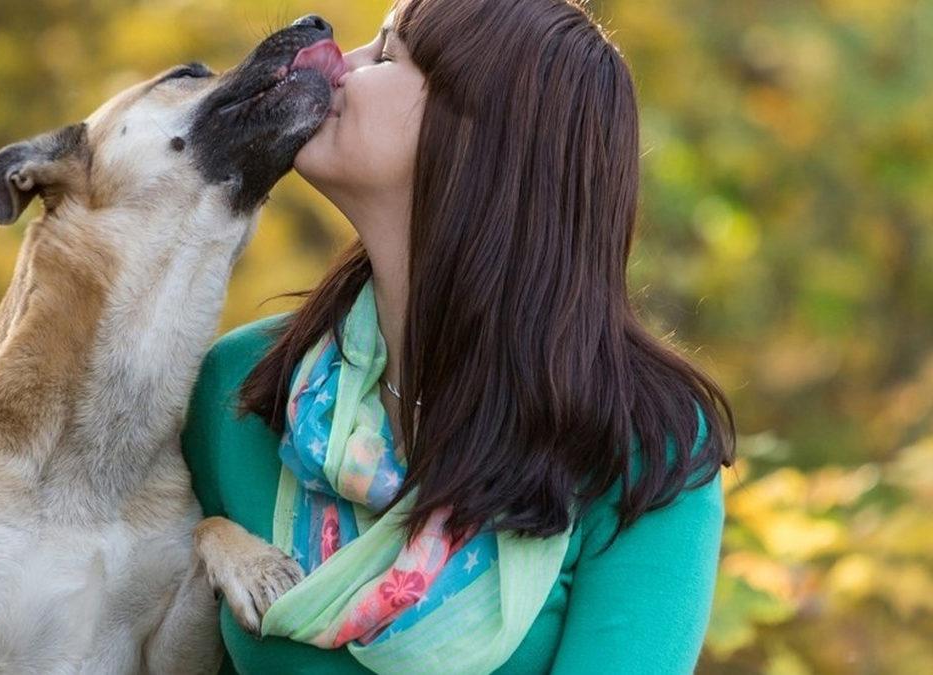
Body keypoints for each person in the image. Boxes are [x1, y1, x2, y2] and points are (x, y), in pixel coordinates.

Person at [181, 0, 735, 672]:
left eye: (386, 54)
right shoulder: (237, 390)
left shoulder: (647, 446)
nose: (338, 66)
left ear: (485, 134)